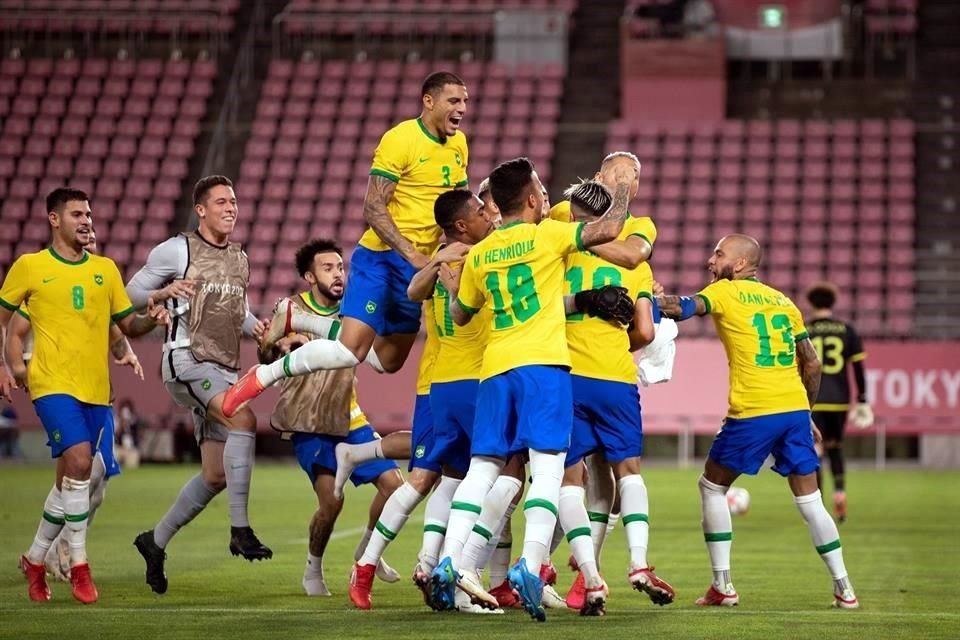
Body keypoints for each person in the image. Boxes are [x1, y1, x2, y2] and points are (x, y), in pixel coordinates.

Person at [433, 156, 636, 622]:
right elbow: (606, 230)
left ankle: (450, 558)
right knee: (548, 470)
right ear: (529, 198)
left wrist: (448, 285)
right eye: (541, 188)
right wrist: (621, 189)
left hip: (495, 368)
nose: (546, 194)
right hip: (543, 367)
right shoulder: (547, 235)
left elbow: (463, 314)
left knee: (483, 467)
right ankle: (530, 562)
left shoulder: (482, 252)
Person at [223, 71, 471, 414]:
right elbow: (372, 206)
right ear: (429, 101)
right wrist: (412, 253)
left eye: (465, 102)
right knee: (350, 351)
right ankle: (263, 376)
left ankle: (302, 317)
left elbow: (454, 206)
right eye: (454, 100)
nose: (462, 108)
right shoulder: (400, 139)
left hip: (419, 267)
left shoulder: (459, 144)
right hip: (384, 256)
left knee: (389, 360)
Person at [658, 234, 859, 609]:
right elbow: (812, 362)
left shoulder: (724, 292)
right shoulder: (785, 302)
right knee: (812, 500)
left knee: (711, 487)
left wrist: (641, 300)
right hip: (793, 411)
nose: (709, 260)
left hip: (753, 411)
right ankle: (844, 588)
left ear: (737, 265)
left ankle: (723, 585)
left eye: (717, 254)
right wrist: (805, 412)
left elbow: (680, 308)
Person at [0, 187, 168, 604]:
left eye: (89, 213)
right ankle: (79, 565)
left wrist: (155, 314)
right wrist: (6, 366)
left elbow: (128, 326)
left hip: (96, 389)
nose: (87, 220)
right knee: (78, 462)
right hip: (51, 383)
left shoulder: (106, 270)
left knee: (72, 480)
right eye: (77, 213)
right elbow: (4, 319)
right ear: (54, 219)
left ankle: (35, 560)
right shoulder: (30, 266)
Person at [342, 190, 486, 612]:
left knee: (442, 478)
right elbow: (417, 293)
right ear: (462, 223)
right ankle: (438, 569)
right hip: (455, 382)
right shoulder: (462, 257)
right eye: (482, 211)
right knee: (462, 478)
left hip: (453, 382)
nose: (489, 217)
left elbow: (413, 291)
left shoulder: (462, 255)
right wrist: (443, 260)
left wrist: (441, 259)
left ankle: (411, 565)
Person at [127, 175, 270, 596]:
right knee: (242, 417)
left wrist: (255, 326)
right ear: (201, 209)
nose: (231, 207)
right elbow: (129, 294)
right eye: (222, 201)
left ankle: (154, 542)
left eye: (235, 201)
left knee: (214, 474)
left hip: (223, 365)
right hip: (186, 359)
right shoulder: (177, 249)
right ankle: (240, 529)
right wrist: (165, 290)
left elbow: (234, 308)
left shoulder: (239, 258)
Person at [260, 238, 404, 597]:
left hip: (349, 415)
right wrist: (275, 345)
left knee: (395, 488)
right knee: (332, 501)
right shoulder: (290, 309)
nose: (338, 274)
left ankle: (367, 549)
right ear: (310, 276)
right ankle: (313, 567)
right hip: (309, 420)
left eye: (341, 267)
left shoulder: (354, 309)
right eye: (328, 268)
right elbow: (265, 353)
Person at [556, 179, 672, 614]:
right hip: (616, 379)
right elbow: (644, 330)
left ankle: (589, 578)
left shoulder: (558, 252)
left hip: (564, 375)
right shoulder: (634, 266)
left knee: (570, 480)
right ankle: (639, 563)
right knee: (629, 472)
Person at [805, 282, 873, 523]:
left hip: (813, 399)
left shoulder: (805, 330)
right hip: (840, 401)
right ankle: (840, 492)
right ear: (832, 303)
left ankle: (818, 506)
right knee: (835, 447)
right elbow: (858, 367)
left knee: (815, 450)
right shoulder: (847, 330)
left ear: (811, 303)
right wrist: (862, 399)